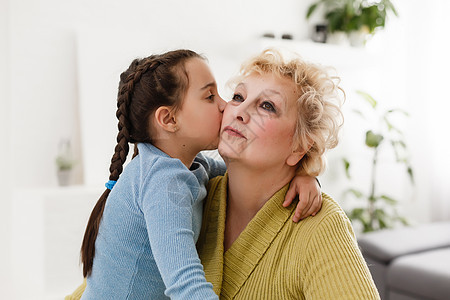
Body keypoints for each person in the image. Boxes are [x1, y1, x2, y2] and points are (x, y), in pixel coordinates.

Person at [67, 49, 322, 299]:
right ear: (169, 119)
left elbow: (244, 177)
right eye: (210, 97)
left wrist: (304, 173)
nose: (226, 106)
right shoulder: (163, 183)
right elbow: (185, 285)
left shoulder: (190, 166)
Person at [196, 49, 381, 299]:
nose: (239, 111)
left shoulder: (321, 225)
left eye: (267, 106)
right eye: (238, 96)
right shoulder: (193, 194)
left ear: (299, 147)